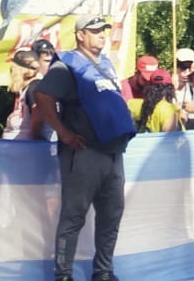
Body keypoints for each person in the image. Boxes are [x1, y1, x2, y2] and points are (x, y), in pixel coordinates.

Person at [37, 15, 137, 281]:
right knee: (74, 216)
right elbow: (42, 96)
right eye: (95, 31)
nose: (102, 35)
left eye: (104, 30)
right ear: (81, 35)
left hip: (113, 152)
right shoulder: (67, 65)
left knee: (111, 215)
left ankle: (103, 272)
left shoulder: (106, 63)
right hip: (84, 153)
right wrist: (64, 132)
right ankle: (64, 275)